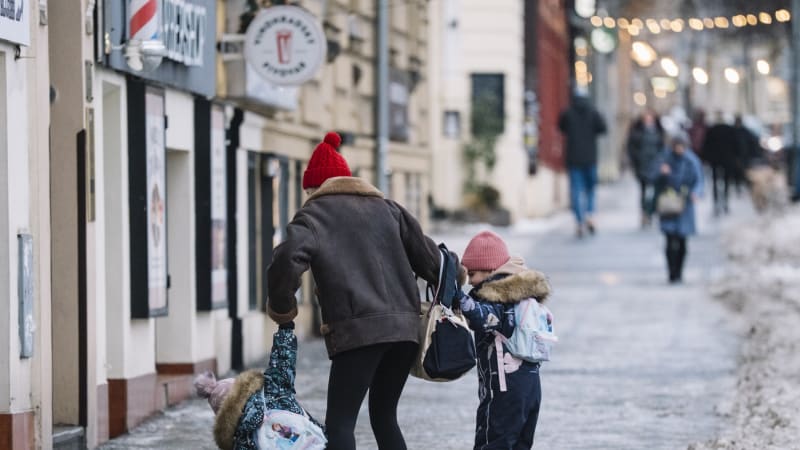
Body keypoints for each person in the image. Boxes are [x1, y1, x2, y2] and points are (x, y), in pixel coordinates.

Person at [266, 132, 442, 450]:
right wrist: (455, 275)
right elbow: (432, 261)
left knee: (341, 423)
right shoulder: (390, 209)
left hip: (359, 332)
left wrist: (283, 308)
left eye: (308, 190)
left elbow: (287, 258)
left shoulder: (314, 215)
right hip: (405, 332)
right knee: (385, 416)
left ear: (315, 187)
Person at [456, 230, 552, 449]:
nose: (470, 282)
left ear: (490, 270)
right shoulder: (522, 295)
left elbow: (483, 318)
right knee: (519, 443)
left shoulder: (498, 296)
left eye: (472, 274)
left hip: (503, 392)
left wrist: (457, 294)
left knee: (492, 442)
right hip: (529, 389)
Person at [653, 135, 704, 283]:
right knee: (669, 239)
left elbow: (699, 180)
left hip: (685, 204)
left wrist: (696, 193)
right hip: (668, 203)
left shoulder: (691, 160)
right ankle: (671, 272)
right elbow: (652, 176)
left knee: (682, 240)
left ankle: (679, 272)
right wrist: (662, 173)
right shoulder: (665, 159)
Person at [558, 91, 608, 237]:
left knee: (576, 191)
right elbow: (603, 129)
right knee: (591, 189)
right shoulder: (593, 113)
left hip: (573, 158)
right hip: (590, 158)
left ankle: (579, 221)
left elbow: (561, 127)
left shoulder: (567, 113)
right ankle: (590, 215)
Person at [626, 110, 665, 227]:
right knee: (643, 191)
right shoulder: (637, 132)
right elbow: (631, 148)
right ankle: (644, 213)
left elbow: (662, 148)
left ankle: (651, 211)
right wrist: (636, 160)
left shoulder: (658, 132)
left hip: (655, 166)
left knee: (656, 191)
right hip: (641, 166)